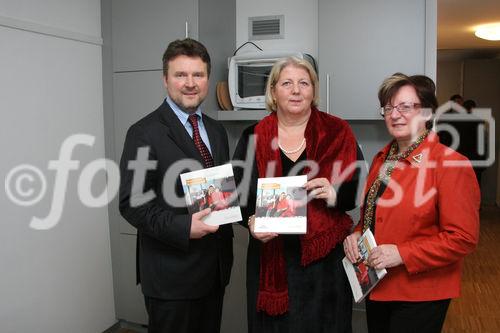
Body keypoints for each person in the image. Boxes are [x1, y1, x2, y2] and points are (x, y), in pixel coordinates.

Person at [233, 56, 364, 333]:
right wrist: (251, 220)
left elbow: (354, 193)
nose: (296, 90)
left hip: (324, 261)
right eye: (287, 83)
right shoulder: (252, 137)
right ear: (273, 91)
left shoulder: (339, 132)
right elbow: (239, 197)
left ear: (314, 91)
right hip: (271, 257)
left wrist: (334, 193)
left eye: (304, 83)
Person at [344, 73, 480, 333]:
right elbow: (372, 214)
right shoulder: (383, 158)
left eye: (406, 106)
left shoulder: (450, 164)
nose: (395, 114)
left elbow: (462, 237)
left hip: (420, 294)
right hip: (378, 286)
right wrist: (357, 232)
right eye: (388, 107)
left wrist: (402, 253)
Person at [119, 38, 233, 333]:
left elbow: (221, 190)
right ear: (165, 80)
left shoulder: (217, 131)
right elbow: (132, 203)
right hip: (172, 279)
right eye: (180, 75)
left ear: (208, 79)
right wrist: (184, 228)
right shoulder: (143, 133)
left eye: (198, 75)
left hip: (214, 271)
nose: (190, 83)